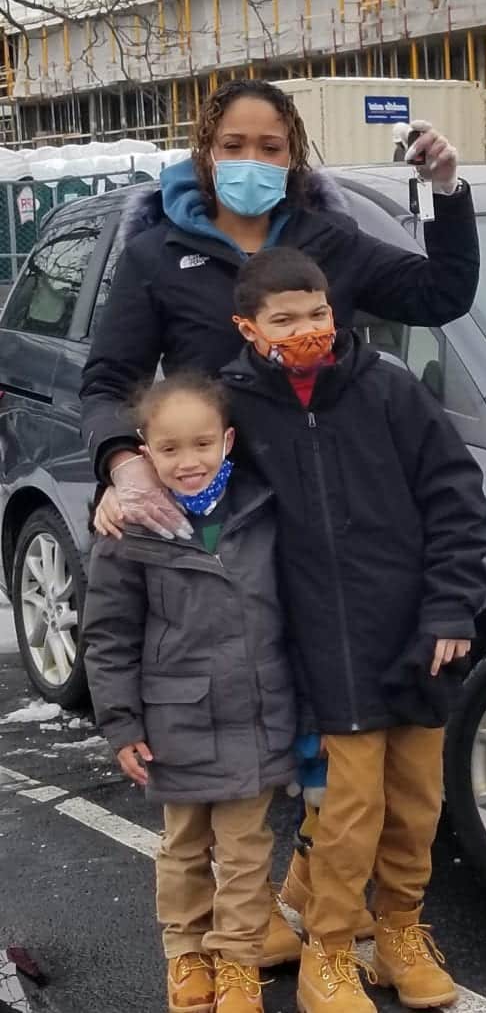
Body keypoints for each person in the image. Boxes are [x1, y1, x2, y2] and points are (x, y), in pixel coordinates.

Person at [79, 78, 480, 964]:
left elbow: (442, 293)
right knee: (246, 720)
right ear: (204, 150)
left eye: (270, 147)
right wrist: (123, 460)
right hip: (229, 531)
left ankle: (320, 889)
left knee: (333, 734)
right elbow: (107, 382)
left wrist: (447, 191)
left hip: (336, 527)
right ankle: (250, 912)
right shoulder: (158, 254)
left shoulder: (329, 241)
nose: (252, 164)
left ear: (294, 152)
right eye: (235, 146)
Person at [221, 246, 486, 1013]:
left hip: (414, 638)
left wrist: (449, 605)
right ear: (248, 327)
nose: (307, 330)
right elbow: (210, 520)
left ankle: (400, 931)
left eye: (318, 314)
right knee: (347, 809)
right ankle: (330, 951)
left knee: (416, 804)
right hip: (321, 650)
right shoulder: (234, 408)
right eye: (285, 320)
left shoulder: (389, 390)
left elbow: (456, 501)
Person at [83, 373, 296, 1013]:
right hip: (175, 721)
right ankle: (186, 953)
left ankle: (237, 960)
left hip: (256, 714)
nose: (188, 461)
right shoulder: (129, 531)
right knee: (183, 848)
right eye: (170, 449)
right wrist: (121, 723)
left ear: (228, 441)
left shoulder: (263, 512)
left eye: (202, 444)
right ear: (145, 452)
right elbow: (109, 634)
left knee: (245, 851)